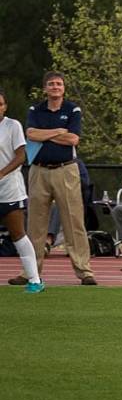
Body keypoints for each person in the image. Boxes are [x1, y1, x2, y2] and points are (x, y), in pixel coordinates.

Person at [13, 71, 96, 285]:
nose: (55, 87)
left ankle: (84, 270)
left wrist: (46, 133)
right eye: (51, 84)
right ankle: (31, 271)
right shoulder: (35, 109)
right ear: (45, 88)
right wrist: (58, 131)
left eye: (59, 84)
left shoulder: (72, 109)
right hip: (38, 170)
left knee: (73, 221)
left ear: (64, 88)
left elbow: (73, 139)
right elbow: (31, 134)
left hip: (65, 170)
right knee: (35, 224)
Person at [0, 88, 44, 293]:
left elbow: (20, 156)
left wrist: (1, 174)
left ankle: (34, 280)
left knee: (18, 234)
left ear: (5, 106)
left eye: (0, 104)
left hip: (9, 190)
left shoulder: (12, 126)